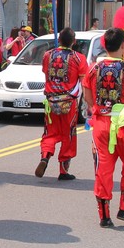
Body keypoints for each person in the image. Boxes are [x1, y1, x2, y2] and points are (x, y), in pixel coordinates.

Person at [82, 28, 124, 227]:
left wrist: (97, 108)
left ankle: (104, 215)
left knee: (103, 168)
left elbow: (87, 96)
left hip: (101, 125)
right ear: (123, 45)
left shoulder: (93, 69)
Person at [36, 27, 89, 181]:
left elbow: (46, 73)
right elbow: (83, 81)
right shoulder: (78, 58)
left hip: (51, 101)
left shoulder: (47, 55)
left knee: (50, 133)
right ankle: (63, 170)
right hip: (69, 103)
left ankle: (45, 156)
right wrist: (87, 104)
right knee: (68, 135)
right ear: (74, 42)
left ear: (59, 40)